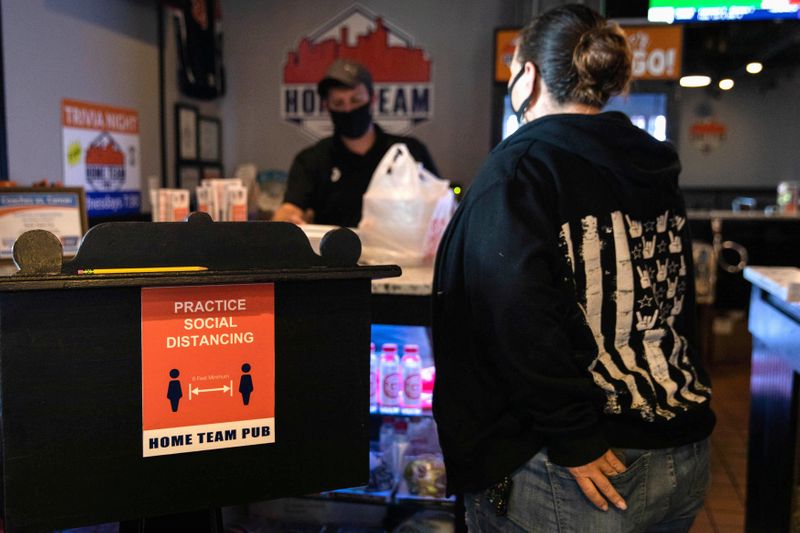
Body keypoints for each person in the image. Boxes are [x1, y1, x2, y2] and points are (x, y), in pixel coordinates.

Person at [432, 5, 714, 532]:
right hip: (681, 446)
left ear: (529, 74)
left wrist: (574, 435)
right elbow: (672, 300)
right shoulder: (651, 163)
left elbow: (514, 316)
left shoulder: (521, 167)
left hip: (582, 469)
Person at [273, 59, 439, 227]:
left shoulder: (409, 152)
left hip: (399, 250)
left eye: (355, 100)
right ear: (327, 106)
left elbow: (438, 206)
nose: (348, 109)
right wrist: (287, 221)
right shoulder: (311, 160)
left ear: (372, 99)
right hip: (334, 252)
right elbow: (290, 208)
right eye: (338, 103)